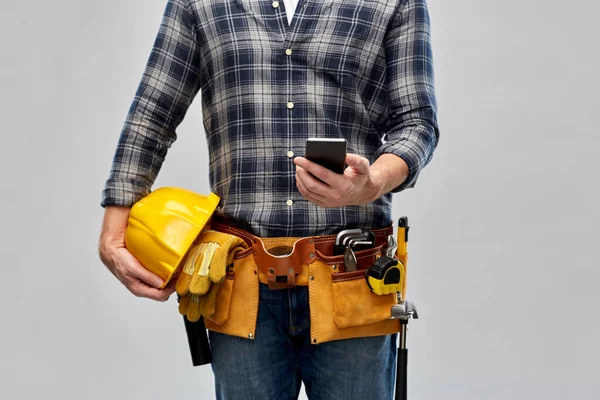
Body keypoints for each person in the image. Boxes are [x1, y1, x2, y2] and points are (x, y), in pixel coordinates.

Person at [99, 0, 439, 398]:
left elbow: (417, 122)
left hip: (352, 278)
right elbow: (152, 115)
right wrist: (113, 233)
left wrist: (372, 183)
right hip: (240, 280)